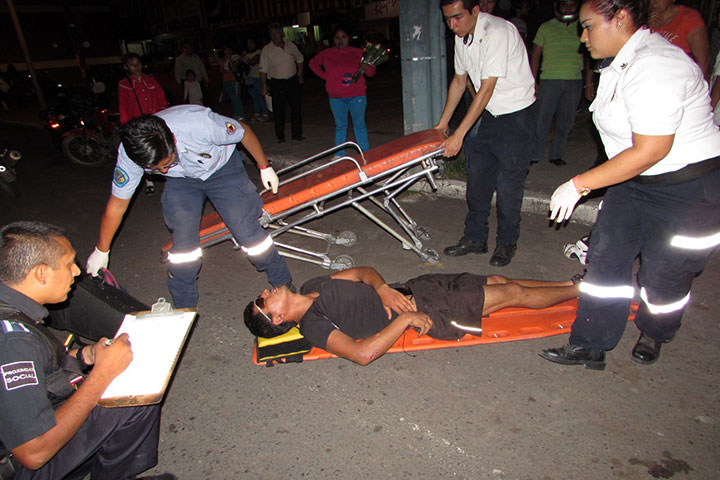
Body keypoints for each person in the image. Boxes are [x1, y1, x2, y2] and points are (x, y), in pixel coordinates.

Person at [541, 0, 720, 370]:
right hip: (634, 181)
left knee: (665, 275)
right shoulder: (619, 62)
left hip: (687, 188)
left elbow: (652, 149)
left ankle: (656, 330)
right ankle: (591, 343)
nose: (583, 37)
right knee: (605, 260)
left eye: (589, 26)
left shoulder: (658, 65)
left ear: (620, 19)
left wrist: (579, 184)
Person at [0, 221, 174, 480]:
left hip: (24, 426)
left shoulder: (12, 310)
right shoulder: (13, 343)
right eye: (69, 264)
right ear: (41, 273)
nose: (77, 271)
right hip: (20, 466)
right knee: (133, 397)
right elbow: (34, 453)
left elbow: (42, 372)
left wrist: (85, 356)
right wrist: (102, 374)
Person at [85, 105, 292, 309]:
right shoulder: (131, 153)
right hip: (181, 180)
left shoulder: (200, 124)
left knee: (247, 232)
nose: (163, 170)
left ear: (174, 140)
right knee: (183, 247)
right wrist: (102, 250)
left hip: (222, 168)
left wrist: (264, 166)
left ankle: (284, 285)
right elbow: (117, 205)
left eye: (167, 163)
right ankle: (184, 307)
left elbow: (243, 131)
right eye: (156, 169)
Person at [244, 266, 581, 365]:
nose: (266, 291)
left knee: (497, 280)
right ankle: (584, 290)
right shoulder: (314, 326)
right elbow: (362, 354)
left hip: (419, 285)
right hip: (435, 311)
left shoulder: (312, 284)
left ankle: (568, 283)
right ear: (277, 319)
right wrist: (404, 320)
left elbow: (362, 272)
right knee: (512, 293)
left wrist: (381, 288)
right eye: (263, 301)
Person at [435, 0, 536, 267]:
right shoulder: (462, 36)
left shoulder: (497, 32)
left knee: (508, 186)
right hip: (491, 114)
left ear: (475, 11)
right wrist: (442, 125)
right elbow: (460, 80)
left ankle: (506, 243)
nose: (452, 25)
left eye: (458, 17)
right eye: (447, 19)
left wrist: (459, 135)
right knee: (478, 181)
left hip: (517, 116)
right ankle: (475, 238)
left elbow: (486, 88)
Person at [530, 0, 594, 167]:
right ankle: (535, 153)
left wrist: (589, 83)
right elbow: (535, 57)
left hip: (574, 80)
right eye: (564, 5)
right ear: (557, 6)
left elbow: (590, 57)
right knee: (541, 120)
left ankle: (556, 154)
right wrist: (533, 81)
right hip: (549, 79)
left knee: (566, 121)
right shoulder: (545, 27)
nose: (568, 8)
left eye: (572, 5)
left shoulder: (582, 28)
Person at [309, 26, 377, 156]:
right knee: (340, 125)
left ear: (349, 38)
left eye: (343, 37)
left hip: (357, 95)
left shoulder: (358, 52)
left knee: (359, 124)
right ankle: (340, 153)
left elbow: (371, 73)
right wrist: (325, 76)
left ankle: (364, 152)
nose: (340, 40)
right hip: (336, 97)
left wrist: (367, 67)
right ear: (333, 40)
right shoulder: (327, 53)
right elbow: (313, 63)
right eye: (337, 38)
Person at [118, 52, 169, 197]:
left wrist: (164, 115)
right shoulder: (124, 84)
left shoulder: (151, 81)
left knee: (162, 149)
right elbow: (123, 107)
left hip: (155, 122)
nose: (136, 67)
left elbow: (162, 99)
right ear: (126, 67)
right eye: (132, 65)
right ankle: (149, 182)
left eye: (138, 64)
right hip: (138, 125)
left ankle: (168, 177)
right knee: (144, 152)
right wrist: (126, 126)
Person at [260, 22, 305, 143]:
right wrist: (264, 86)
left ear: (282, 33)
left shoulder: (291, 45)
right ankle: (280, 136)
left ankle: (297, 134)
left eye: (276, 33)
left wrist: (299, 73)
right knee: (279, 111)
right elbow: (263, 70)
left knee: (296, 108)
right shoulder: (267, 49)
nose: (275, 36)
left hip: (292, 80)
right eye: (272, 34)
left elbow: (300, 59)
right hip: (276, 82)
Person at [649, 0, 710, 78]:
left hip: (680, 76)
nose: (652, 2)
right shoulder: (644, 18)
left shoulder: (689, 18)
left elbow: (703, 61)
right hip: (651, 72)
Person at [242, 38, 269, 122]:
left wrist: (248, 60)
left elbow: (254, 61)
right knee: (254, 96)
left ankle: (265, 112)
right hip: (249, 77)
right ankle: (257, 112)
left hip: (257, 76)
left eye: (251, 42)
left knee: (260, 94)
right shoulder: (246, 53)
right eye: (248, 43)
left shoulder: (259, 52)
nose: (249, 45)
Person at [220, 47, 245, 121]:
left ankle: (241, 114)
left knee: (236, 97)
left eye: (228, 50)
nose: (227, 52)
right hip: (226, 80)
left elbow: (234, 68)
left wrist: (230, 59)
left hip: (234, 80)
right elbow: (221, 70)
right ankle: (237, 114)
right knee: (232, 98)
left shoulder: (235, 57)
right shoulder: (223, 59)